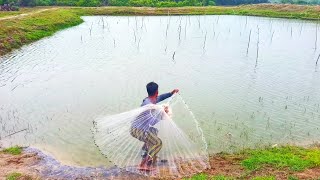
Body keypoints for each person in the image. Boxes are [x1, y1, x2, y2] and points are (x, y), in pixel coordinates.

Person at [130, 82, 179, 171]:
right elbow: (151, 121)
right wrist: (163, 114)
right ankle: (143, 164)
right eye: (158, 93)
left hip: (141, 128)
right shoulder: (148, 105)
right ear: (157, 92)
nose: (158, 95)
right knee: (158, 143)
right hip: (137, 130)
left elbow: (161, 97)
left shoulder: (151, 99)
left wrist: (171, 93)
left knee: (154, 132)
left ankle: (145, 154)